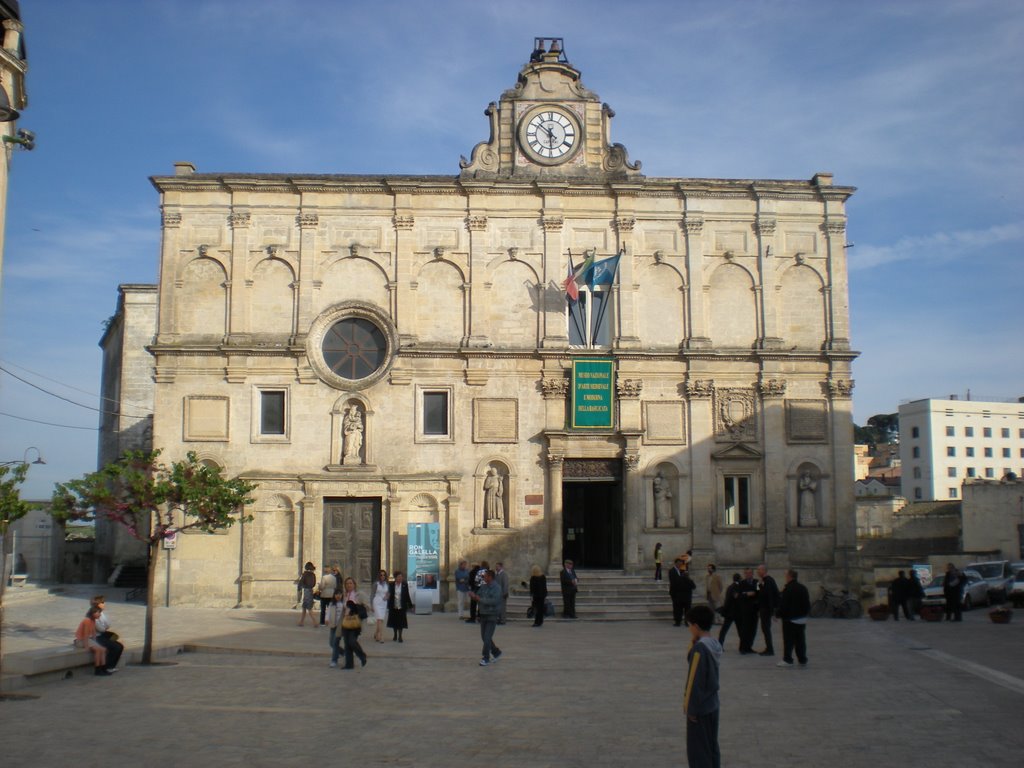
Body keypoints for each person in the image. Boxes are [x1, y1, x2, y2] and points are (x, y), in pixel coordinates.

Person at [683, 605, 722, 768]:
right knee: (711, 746)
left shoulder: (700, 649)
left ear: (696, 626)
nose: (689, 629)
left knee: (698, 751)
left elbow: (695, 681)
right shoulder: (714, 644)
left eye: (690, 625)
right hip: (712, 704)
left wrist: (691, 708)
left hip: (700, 708)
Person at [775, 569, 810, 667]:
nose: (785, 577)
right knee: (800, 640)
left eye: (786, 576)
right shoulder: (803, 588)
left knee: (788, 640)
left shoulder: (788, 589)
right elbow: (807, 604)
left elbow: (784, 605)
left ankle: (788, 659)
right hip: (801, 619)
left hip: (790, 619)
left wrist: (777, 614)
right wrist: (804, 614)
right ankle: (802, 659)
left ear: (790, 576)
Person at [470, 568, 503, 665]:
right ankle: (496, 652)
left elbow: (494, 601)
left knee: (487, 637)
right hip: (483, 614)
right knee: (484, 637)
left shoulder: (497, 588)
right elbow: (478, 595)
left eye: (485, 576)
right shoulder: (483, 587)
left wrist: (480, 599)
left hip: (492, 615)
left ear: (490, 577)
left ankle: (486, 657)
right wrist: (473, 596)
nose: (483, 577)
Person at [339, 577, 368, 669]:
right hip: (346, 621)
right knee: (347, 643)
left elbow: (367, 606)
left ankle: (362, 655)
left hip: (355, 621)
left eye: (351, 583)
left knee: (352, 641)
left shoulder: (359, 595)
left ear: (354, 585)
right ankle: (349, 664)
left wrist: (357, 608)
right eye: (347, 584)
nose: (349, 585)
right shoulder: (345, 595)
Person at [91, 595, 124, 673]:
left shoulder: (101, 613)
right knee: (115, 647)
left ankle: (111, 666)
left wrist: (104, 627)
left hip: (102, 635)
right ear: (98, 604)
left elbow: (108, 624)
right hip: (96, 637)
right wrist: (104, 627)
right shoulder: (93, 613)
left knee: (119, 646)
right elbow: (101, 628)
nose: (104, 604)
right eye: (102, 603)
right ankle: (107, 667)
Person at [74, 606, 110, 676]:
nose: (100, 614)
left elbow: (93, 634)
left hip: (88, 640)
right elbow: (86, 635)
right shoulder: (87, 621)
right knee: (98, 650)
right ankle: (97, 670)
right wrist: (87, 647)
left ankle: (103, 668)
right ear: (93, 613)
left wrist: (95, 642)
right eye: (98, 613)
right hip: (80, 641)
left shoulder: (93, 621)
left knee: (103, 649)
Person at [756, 564, 780, 656]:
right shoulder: (762, 581)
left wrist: (773, 612)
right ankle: (769, 648)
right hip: (763, 609)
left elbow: (770, 596)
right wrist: (759, 584)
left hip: (766, 609)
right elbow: (759, 593)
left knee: (766, 629)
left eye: (759, 570)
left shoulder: (769, 581)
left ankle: (770, 649)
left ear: (764, 571)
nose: (757, 571)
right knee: (765, 629)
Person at [736, 568, 759, 654]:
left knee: (753, 629)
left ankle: (749, 647)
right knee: (745, 629)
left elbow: (759, 592)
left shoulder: (757, 582)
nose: (748, 575)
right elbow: (738, 595)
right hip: (745, 610)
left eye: (750, 573)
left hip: (754, 609)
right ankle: (743, 648)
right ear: (744, 574)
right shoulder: (741, 583)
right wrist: (747, 594)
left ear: (752, 574)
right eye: (747, 573)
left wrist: (755, 594)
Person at [669, 557, 696, 627]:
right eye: (679, 563)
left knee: (680, 609)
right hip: (678, 594)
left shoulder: (681, 573)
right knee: (679, 609)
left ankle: (681, 621)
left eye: (681, 563)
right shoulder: (672, 571)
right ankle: (679, 621)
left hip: (681, 596)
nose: (680, 565)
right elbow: (673, 583)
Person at [387, 570, 413, 642]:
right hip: (393, 605)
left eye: (401, 577)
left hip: (402, 605)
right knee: (394, 621)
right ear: (395, 578)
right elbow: (389, 594)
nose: (400, 578)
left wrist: (410, 605)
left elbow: (407, 595)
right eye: (399, 577)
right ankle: (395, 634)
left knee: (401, 621)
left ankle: (400, 636)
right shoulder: (391, 585)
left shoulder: (404, 585)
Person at [717, 573, 742, 647]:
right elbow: (736, 597)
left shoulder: (730, 587)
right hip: (735, 612)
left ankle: (720, 644)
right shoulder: (736, 587)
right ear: (739, 579)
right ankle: (743, 645)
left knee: (724, 630)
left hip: (730, 612)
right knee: (740, 630)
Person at [325, 592, 345, 667]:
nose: (338, 596)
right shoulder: (332, 604)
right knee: (331, 643)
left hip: (340, 626)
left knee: (335, 642)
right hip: (333, 625)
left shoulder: (344, 604)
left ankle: (334, 660)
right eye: (336, 594)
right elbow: (328, 612)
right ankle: (343, 652)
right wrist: (326, 619)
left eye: (339, 594)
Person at [371, 569, 390, 643]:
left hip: (383, 603)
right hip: (376, 601)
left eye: (384, 575)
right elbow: (372, 594)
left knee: (381, 619)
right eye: (381, 575)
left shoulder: (387, 584)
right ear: (379, 576)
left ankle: (376, 633)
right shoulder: (376, 584)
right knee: (379, 619)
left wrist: (387, 596)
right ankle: (381, 636)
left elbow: (389, 592)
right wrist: (371, 605)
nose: (382, 576)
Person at [297, 562, 317, 627]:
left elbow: (301, 582)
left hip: (306, 591)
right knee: (304, 607)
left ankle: (315, 622)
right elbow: (314, 584)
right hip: (311, 591)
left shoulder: (304, 574)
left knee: (308, 608)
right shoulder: (313, 575)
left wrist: (299, 589)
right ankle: (301, 622)